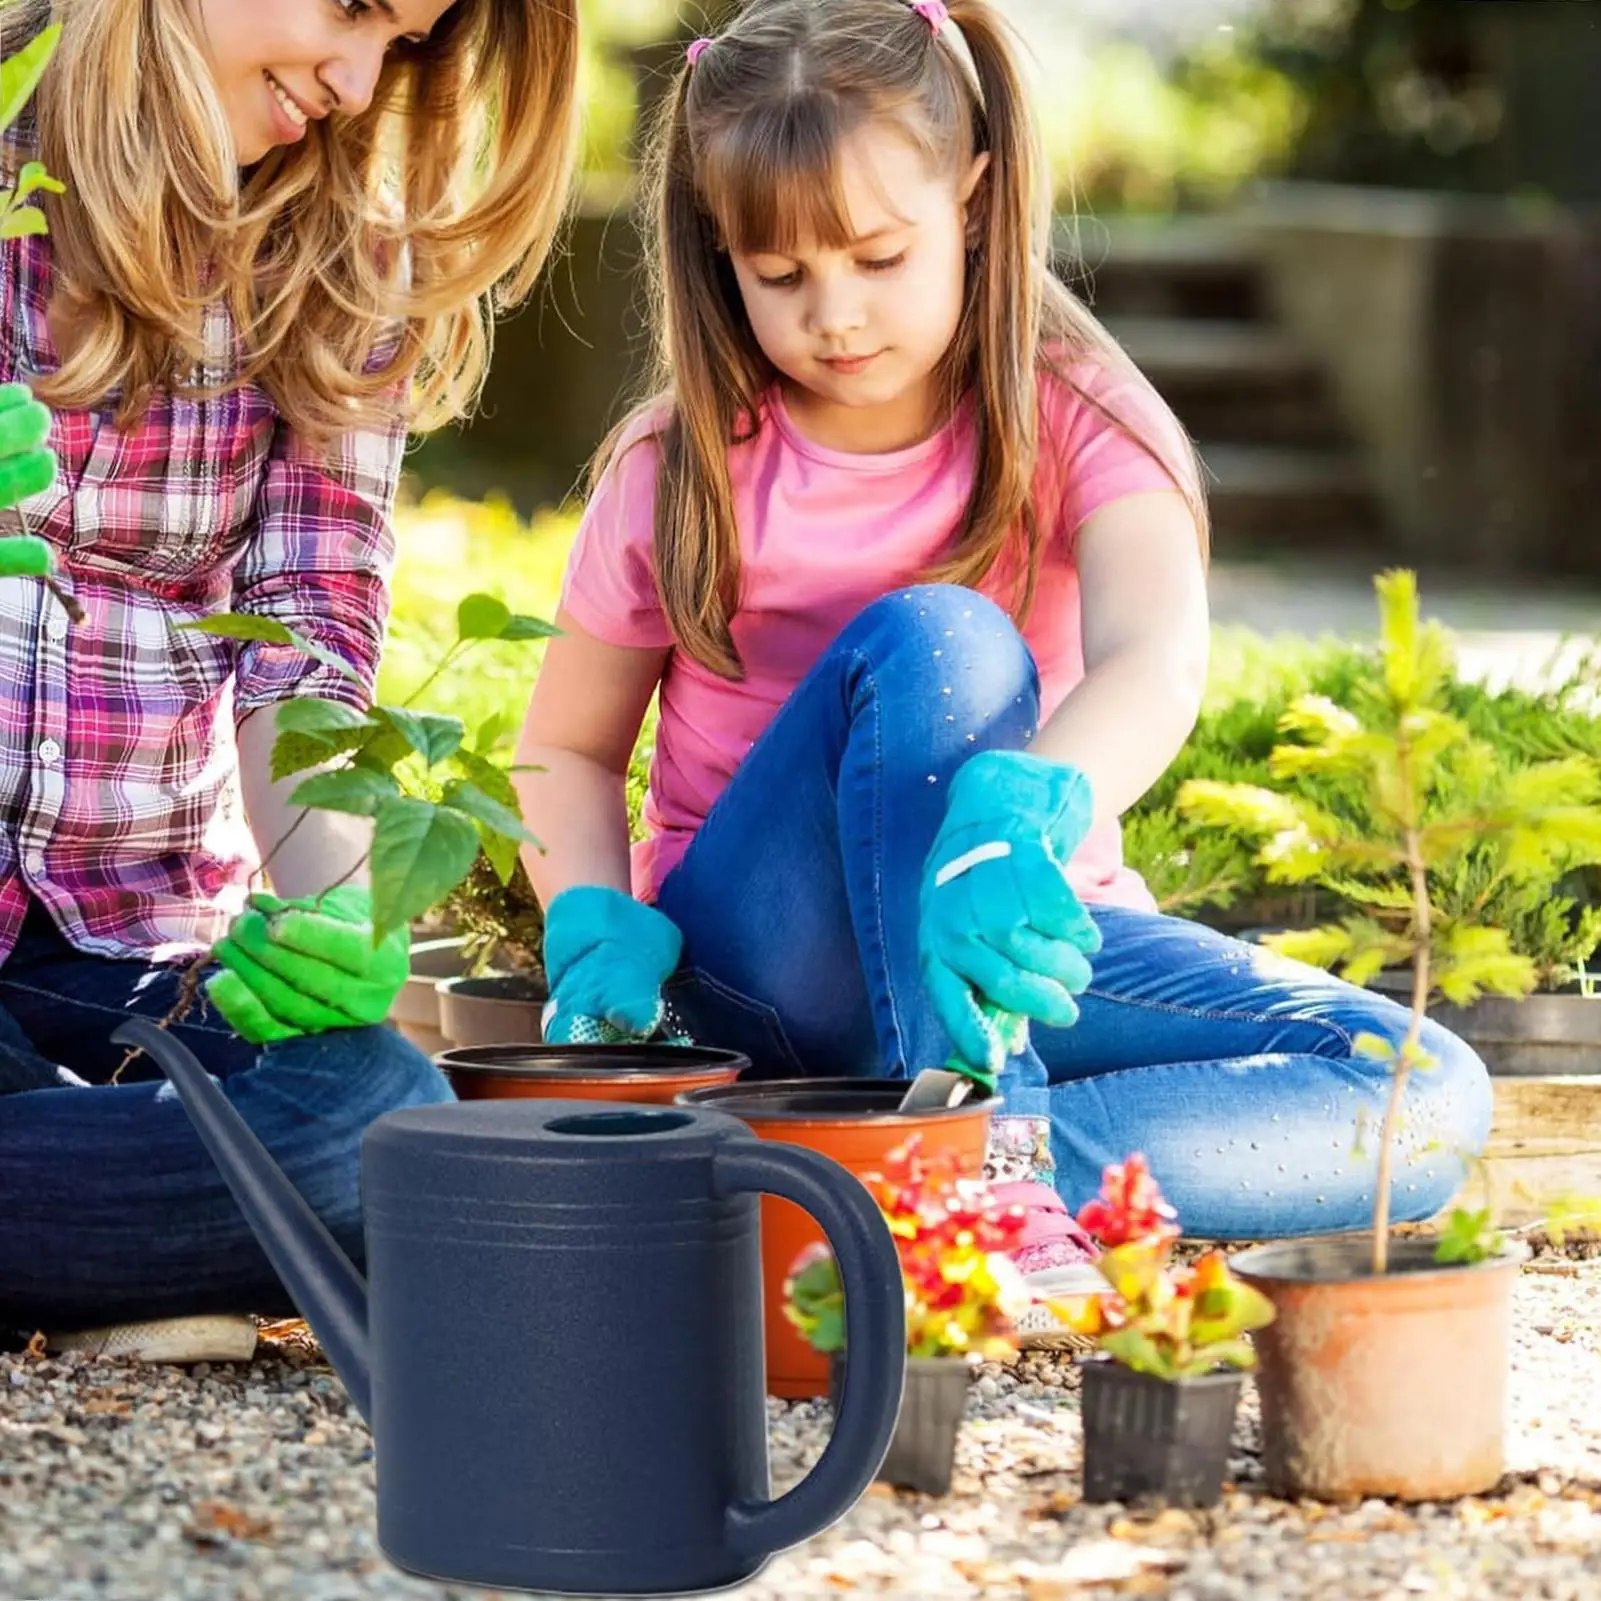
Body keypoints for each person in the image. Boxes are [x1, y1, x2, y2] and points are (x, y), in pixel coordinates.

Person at [513, 0, 1493, 1341]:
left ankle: (955, 1181)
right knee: (943, 639)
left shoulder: (1078, 412)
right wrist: (588, 918)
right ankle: (976, 1159)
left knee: (1418, 1087)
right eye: (781, 273)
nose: (835, 313)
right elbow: (565, 745)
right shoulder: (678, 462)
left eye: (876, 254)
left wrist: (1026, 817)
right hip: (767, 968)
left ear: (973, 199)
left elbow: (1159, 651)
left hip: (1006, 950)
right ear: (717, 254)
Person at [0, 0, 580, 1363]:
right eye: (357, 7)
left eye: (408, 45)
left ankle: (87, 1239)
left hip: (125, 943)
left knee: (376, 1110)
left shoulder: (334, 273)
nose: (358, 76)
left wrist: (336, 905)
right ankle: (125, 1250)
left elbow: (308, 638)